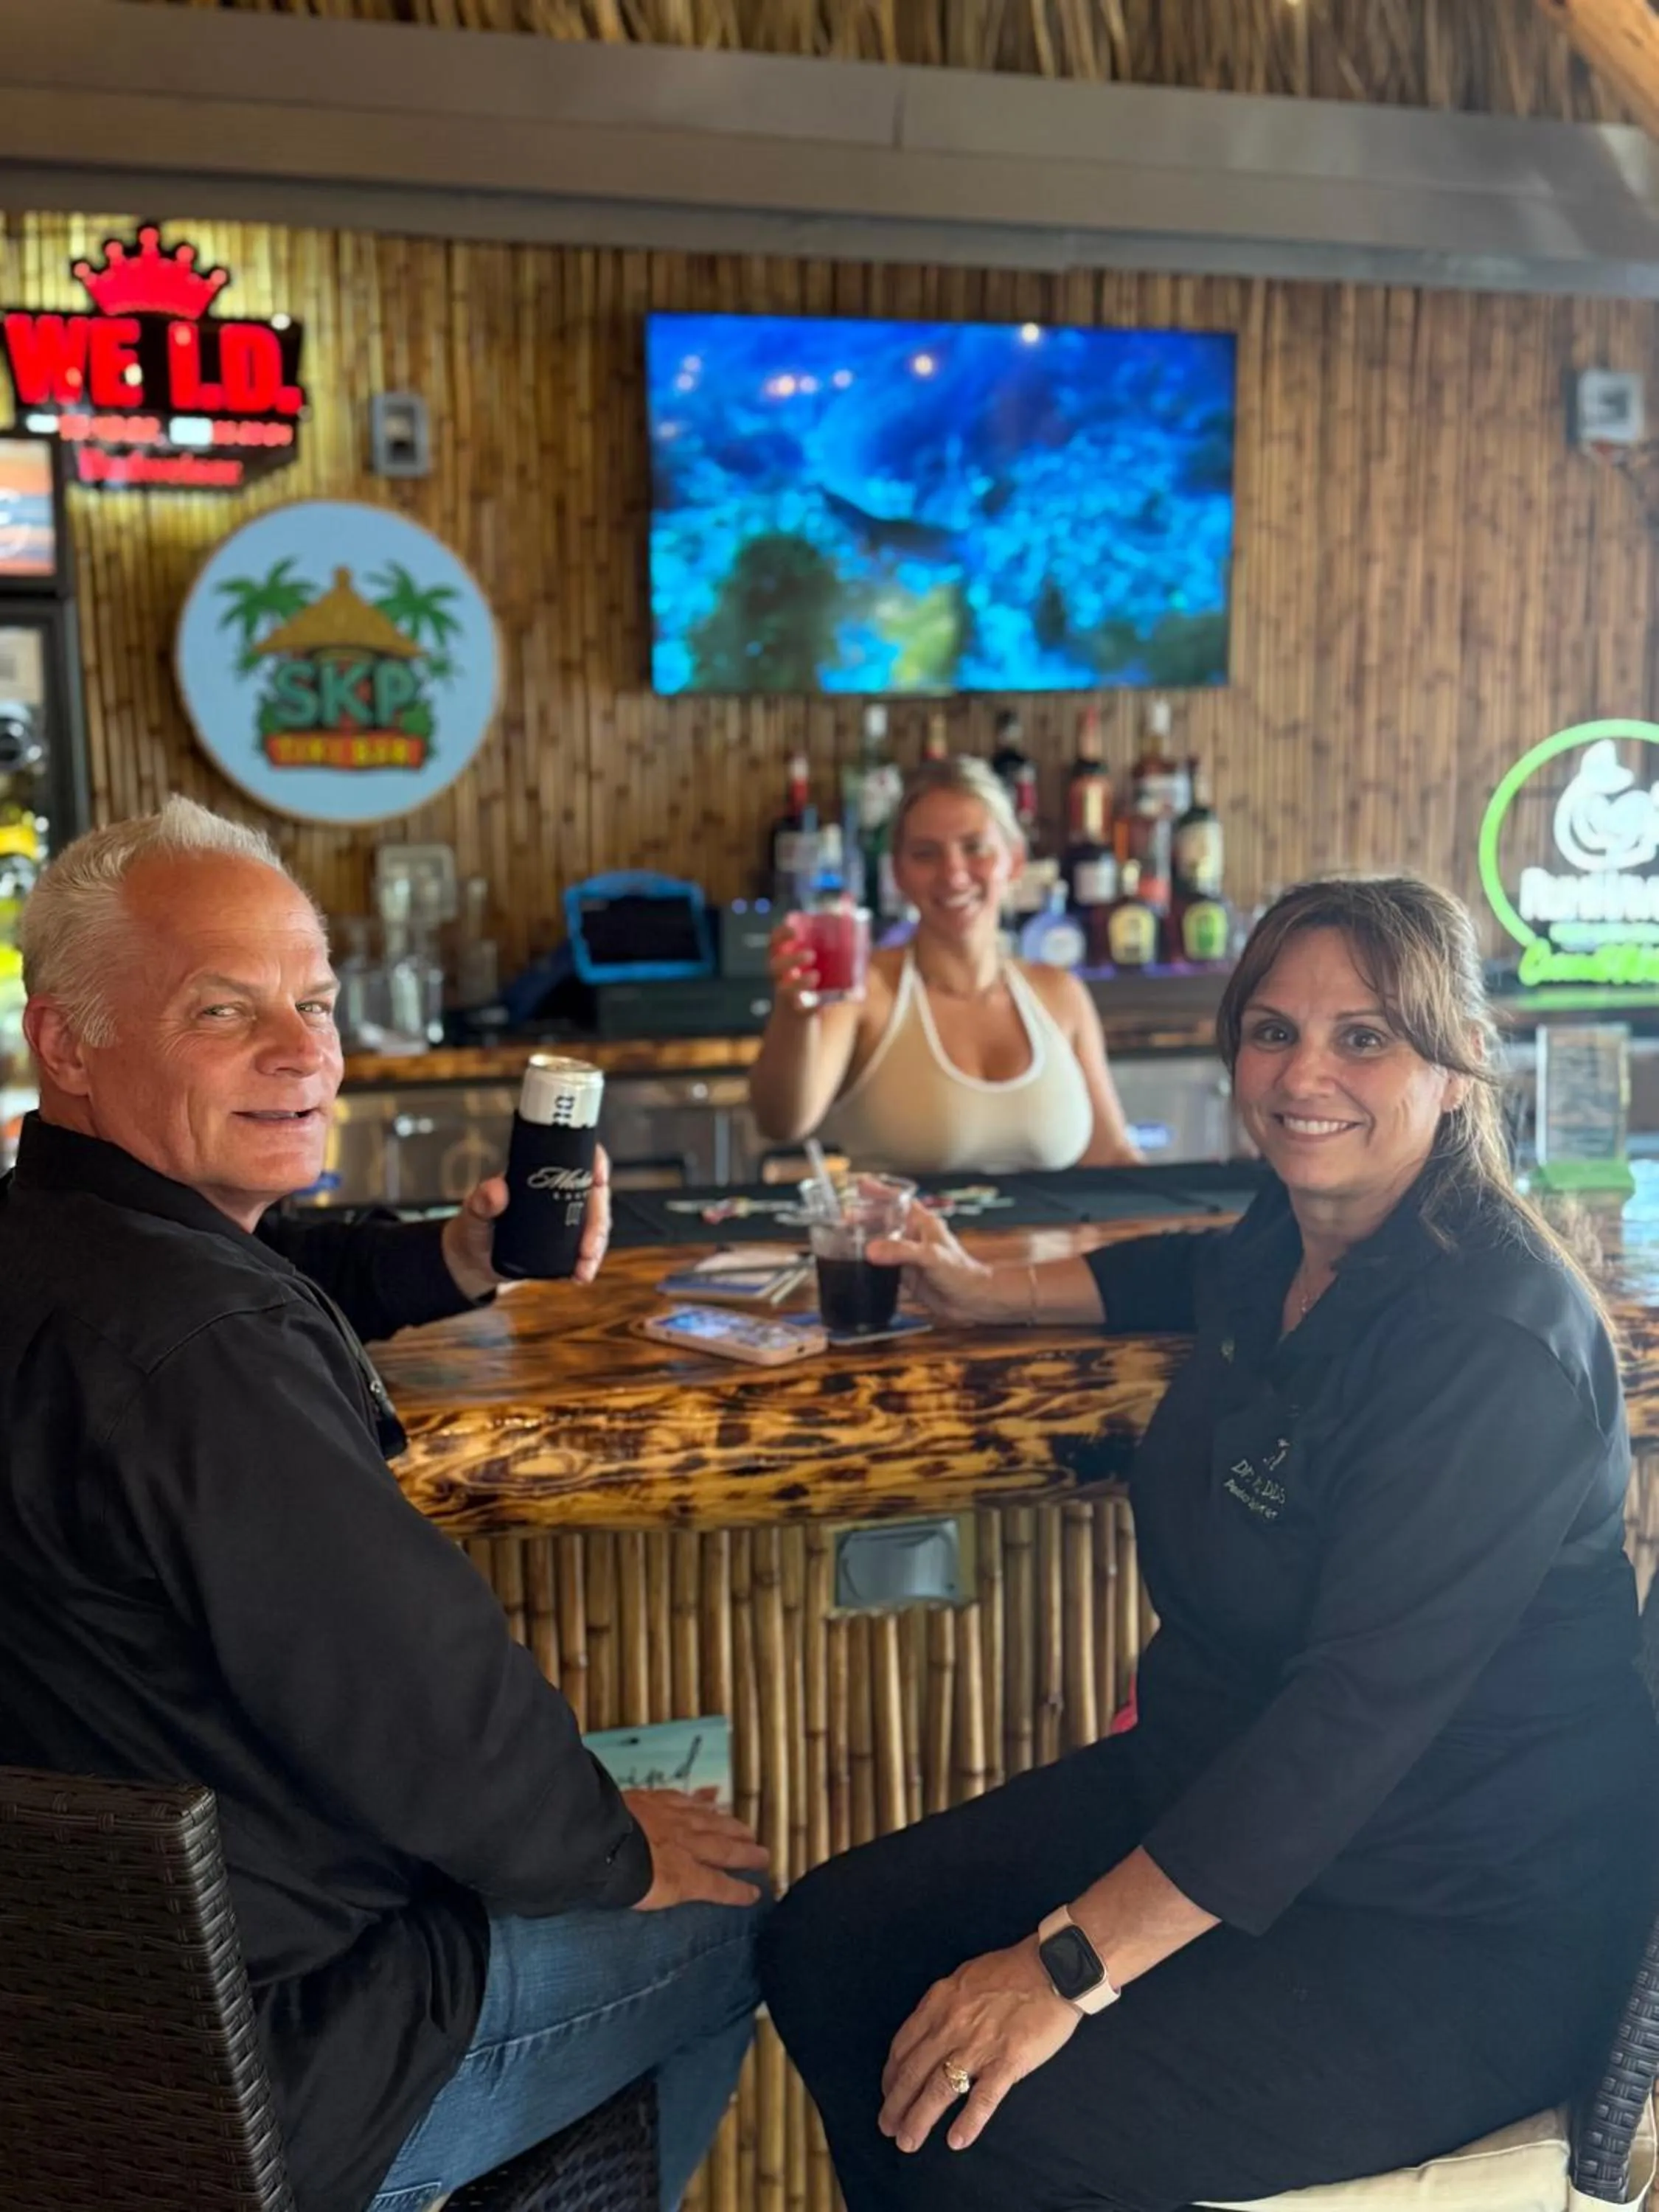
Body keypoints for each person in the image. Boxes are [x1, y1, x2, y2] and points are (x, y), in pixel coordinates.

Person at [759, 874, 1659, 2212]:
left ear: (1458, 1067)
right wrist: (984, 1290)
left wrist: (1065, 1965)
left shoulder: (1493, 1346)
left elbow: (1349, 1724)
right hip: (1217, 1784)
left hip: (1453, 1913)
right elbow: (1187, 1264)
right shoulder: (1297, 1244)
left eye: (1366, 1036)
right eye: (1273, 1030)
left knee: (1002, 2121)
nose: (1307, 1072)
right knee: (829, 1950)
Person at [0, 798, 768, 2212]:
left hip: (70, 2017)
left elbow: (244, 1273)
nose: (303, 1053)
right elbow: (422, 1711)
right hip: (275, 2047)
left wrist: (452, 1260)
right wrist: (612, 1847)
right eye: (225, 1012)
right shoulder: (199, 1349)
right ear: (69, 1041)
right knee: (724, 1922)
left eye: (316, 1001)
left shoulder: (59, 1244)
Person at [748, 757, 1140, 1175]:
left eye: (975, 848)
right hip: (898, 1242)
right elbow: (783, 1122)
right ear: (898, 873)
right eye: (925, 854)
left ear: (1015, 861)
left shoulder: (1060, 994)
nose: (953, 875)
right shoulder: (867, 990)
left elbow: (1111, 1155)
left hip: (1059, 1243)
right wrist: (796, 1014)